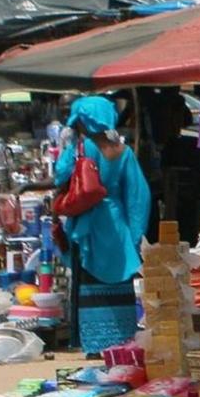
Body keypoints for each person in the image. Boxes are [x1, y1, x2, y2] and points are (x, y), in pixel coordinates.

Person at [53, 96, 151, 356]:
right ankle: (121, 344)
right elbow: (138, 197)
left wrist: (68, 145)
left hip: (87, 226)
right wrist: (135, 235)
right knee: (119, 285)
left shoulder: (79, 149)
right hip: (117, 228)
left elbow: (60, 175)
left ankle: (95, 345)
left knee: (89, 285)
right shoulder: (124, 152)